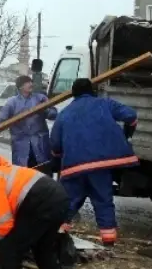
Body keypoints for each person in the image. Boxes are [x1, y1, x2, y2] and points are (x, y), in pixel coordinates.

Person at [50, 79, 138, 245]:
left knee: (67, 202)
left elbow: (55, 144)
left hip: (74, 167)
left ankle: (57, 236)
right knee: (103, 200)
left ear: (73, 93)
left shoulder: (64, 113)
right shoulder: (105, 104)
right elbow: (131, 116)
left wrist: (57, 158)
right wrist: (128, 132)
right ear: (92, 91)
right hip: (101, 165)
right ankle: (108, 240)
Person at [0, 75, 56, 170]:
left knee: (43, 177)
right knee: (23, 178)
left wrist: (45, 110)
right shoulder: (12, 103)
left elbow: (54, 114)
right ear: (20, 87)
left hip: (40, 145)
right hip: (21, 148)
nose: (31, 84)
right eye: (27, 83)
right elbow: (1, 120)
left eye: (31, 82)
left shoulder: (40, 98)